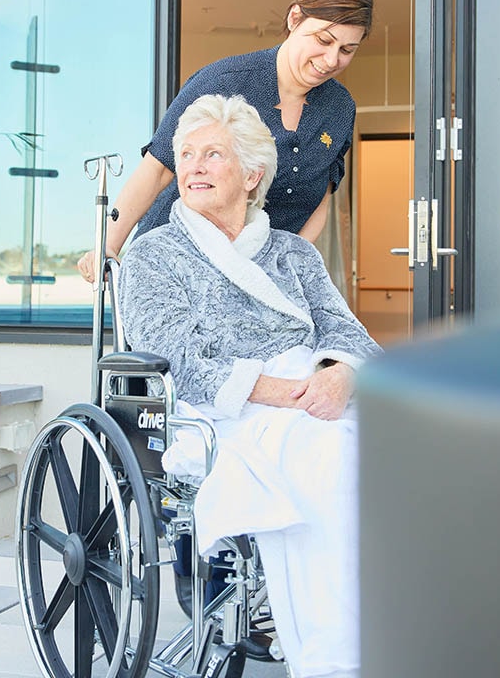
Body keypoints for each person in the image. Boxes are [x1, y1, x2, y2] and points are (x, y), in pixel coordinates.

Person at [118, 93, 382, 678]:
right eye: (186, 155)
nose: (193, 166)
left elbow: (351, 336)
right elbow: (170, 359)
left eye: (213, 154)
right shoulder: (154, 257)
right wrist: (282, 392)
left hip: (312, 397)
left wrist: (340, 374)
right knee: (335, 459)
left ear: (253, 174)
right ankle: (336, 661)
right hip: (223, 414)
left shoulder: (293, 254)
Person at [78, 0, 373, 281]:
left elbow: (320, 199)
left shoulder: (340, 108)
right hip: (177, 268)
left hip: (260, 277)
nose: (330, 59)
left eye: (346, 50)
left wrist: (287, 268)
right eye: (323, 40)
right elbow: (157, 169)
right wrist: (109, 245)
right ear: (295, 17)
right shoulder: (224, 81)